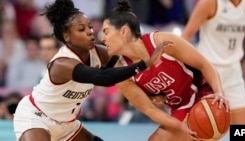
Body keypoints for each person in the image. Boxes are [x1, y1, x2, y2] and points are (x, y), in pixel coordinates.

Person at [12, 0, 167, 141]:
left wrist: (151, 92)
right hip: (37, 117)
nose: (90, 32)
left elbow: (126, 73)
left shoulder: (100, 53)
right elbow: (104, 78)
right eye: (81, 29)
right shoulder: (62, 63)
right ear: (67, 36)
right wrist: (144, 64)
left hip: (67, 123)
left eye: (90, 27)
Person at [101, 0, 230, 140]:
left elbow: (205, 65)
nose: (103, 39)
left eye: (106, 32)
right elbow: (149, 110)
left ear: (124, 32)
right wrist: (180, 125)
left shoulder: (162, 41)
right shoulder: (121, 72)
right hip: (179, 106)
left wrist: (219, 92)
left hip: (202, 94)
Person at [182, 0, 245, 125]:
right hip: (207, 71)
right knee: (203, 128)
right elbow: (186, 37)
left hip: (233, 71)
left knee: (242, 128)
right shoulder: (210, 3)